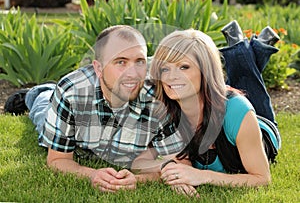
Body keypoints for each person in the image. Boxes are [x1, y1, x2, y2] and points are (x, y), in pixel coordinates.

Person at [5, 25, 185, 192]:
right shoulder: (72, 92)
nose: (133, 73)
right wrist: (92, 174)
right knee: (41, 114)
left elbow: (179, 161)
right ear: (98, 68)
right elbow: (57, 159)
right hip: (64, 110)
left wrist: (140, 180)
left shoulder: (159, 96)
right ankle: (38, 92)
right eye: (120, 62)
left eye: (139, 61)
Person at [132, 21, 281, 196]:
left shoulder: (237, 110)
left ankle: (242, 47)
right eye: (165, 68)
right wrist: (173, 176)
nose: (171, 77)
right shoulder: (165, 109)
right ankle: (258, 47)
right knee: (237, 85)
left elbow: (261, 178)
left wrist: (202, 176)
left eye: (184, 67)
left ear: (205, 70)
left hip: (258, 126)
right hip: (213, 98)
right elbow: (169, 162)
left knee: (248, 83)